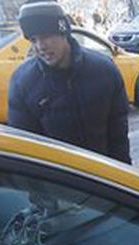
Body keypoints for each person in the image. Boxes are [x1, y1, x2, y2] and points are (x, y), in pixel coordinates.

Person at [8, 1, 131, 164]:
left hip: (104, 180)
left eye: (46, 36)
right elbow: (25, 151)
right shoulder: (23, 83)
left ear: (63, 32)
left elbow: (118, 137)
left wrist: (123, 178)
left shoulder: (104, 71)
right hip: (60, 185)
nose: (40, 46)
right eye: (33, 40)